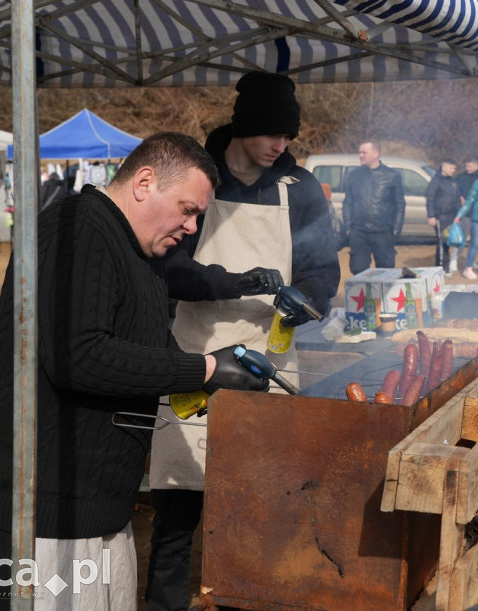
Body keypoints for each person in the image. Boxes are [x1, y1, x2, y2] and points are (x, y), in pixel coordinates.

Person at [0, 132, 274, 609]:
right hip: (31, 502)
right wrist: (203, 367)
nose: (191, 226)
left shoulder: (142, 251)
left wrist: (208, 383)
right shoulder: (76, 229)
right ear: (144, 182)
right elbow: (79, 356)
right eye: (187, 209)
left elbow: (144, 341)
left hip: (91, 502)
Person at [147, 71, 341, 611]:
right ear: (243, 126)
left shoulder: (299, 189)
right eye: (271, 133)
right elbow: (171, 269)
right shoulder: (201, 183)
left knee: (262, 507)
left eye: (288, 136)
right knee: (178, 509)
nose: (281, 145)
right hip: (194, 357)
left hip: (270, 362)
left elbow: (323, 268)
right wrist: (240, 283)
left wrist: (307, 298)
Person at [341, 139, 405, 274]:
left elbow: (399, 205)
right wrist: (348, 228)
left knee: (386, 272)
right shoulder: (354, 175)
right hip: (359, 233)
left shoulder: (392, 175)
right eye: (360, 152)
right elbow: (347, 203)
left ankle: (382, 296)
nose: (360, 155)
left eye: (364, 152)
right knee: (358, 271)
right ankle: (364, 296)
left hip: (383, 233)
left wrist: (395, 231)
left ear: (376, 154)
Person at [426, 157, 462, 274]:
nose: (453, 171)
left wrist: (458, 216)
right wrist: (431, 216)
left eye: (454, 169)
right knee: (442, 244)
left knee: (448, 242)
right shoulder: (436, 181)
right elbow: (430, 198)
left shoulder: (453, 181)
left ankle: (445, 267)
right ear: (444, 167)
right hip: (440, 217)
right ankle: (441, 268)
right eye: (451, 168)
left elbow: (457, 199)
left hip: (452, 217)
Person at [456, 157, 478, 267]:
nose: (468, 168)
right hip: (466, 213)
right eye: (466, 166)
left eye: (470, 166)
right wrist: (460, 197)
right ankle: (455, 260)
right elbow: (456, 190)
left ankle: (472, 261)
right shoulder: (461, 177)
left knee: (475, 240)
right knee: (461, 238)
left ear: (477, 166)